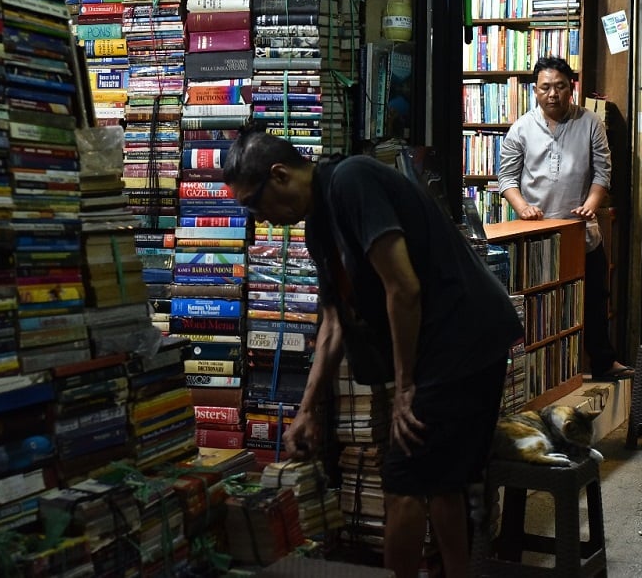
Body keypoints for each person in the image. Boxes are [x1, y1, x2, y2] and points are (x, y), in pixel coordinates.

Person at [223, 130, 522, 578]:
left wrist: (404, 390)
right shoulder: (317, 226)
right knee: (440, 480)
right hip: (445, 344)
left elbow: (403, 287)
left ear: (279, 175)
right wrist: (306, 410)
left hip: (463, 337)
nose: (260, 218)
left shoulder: (351, 180)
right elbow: (332, 325)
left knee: (404, 479)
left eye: (253, 203)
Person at [497, 56, 632, 381]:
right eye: (545, 88)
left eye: (559, 87)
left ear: (571, 87)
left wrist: (591, 204)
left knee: (595, 298)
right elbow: (506, 177)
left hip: (581, 231)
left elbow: (603, 172)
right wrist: (522, 208)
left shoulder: (590, 123)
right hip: (534, 234)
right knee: (534, 303)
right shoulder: (522, 127)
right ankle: (529, 372)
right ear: (535, 90)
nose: (552, 94)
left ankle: (602, 362)